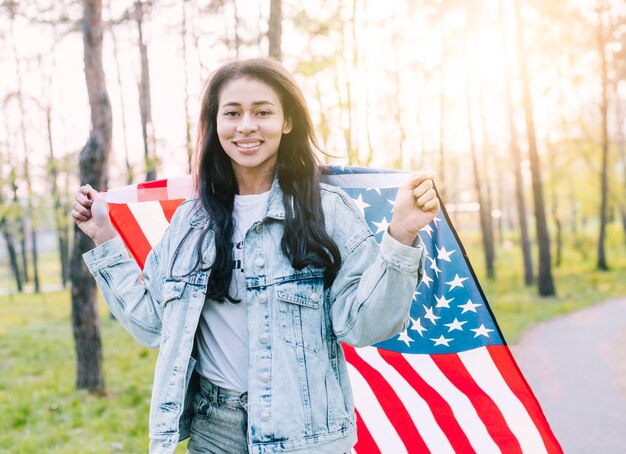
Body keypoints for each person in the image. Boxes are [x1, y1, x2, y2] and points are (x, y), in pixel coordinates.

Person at [71, 58, 440, 454]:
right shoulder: (189, 222)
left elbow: (362, 326)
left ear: (286, 122)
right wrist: (104, 238)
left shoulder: (328, 210)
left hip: (305, 434)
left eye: (262, 112)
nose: (246, 125)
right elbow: (151, 324)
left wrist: (402, 234)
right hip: (214, 430)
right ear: (216, 124)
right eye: (232, 113)